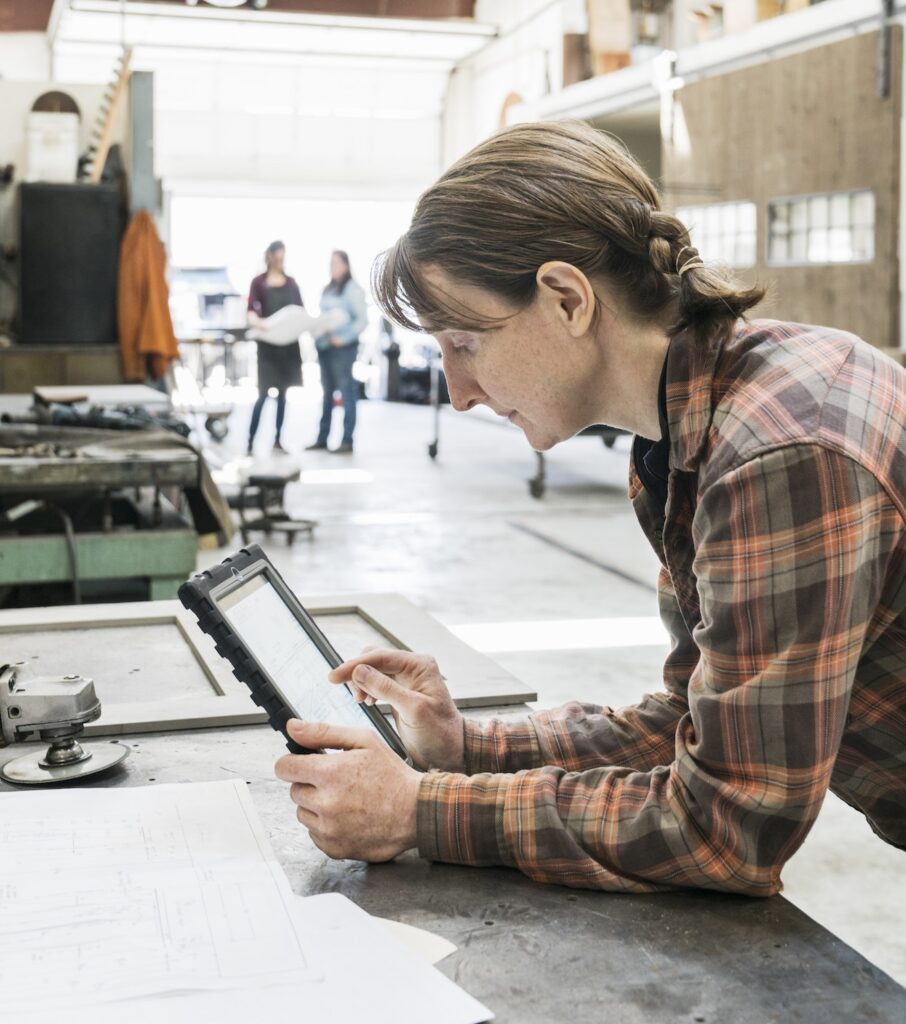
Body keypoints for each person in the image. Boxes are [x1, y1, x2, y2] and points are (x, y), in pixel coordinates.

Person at [274, 121, 905, 895]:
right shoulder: (691, 434)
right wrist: (465, 748)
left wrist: (423, 810)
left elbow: (726, 826)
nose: (456, 393)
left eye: (465, 343)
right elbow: (688, 722)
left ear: (568, 299)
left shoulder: (778, 453)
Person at [306, 250, 367, 454]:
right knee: (327, 394)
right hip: (325, 347)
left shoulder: (353, 290)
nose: (332, 267)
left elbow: (361, 321)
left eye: (336, 263)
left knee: (346, 392)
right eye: (330, 263)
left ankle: (347, 440)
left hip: (343, 349)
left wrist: (345, 338)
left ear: (346, 266)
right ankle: (322, 438)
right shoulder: (328, 290)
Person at [246, 241, 304, 455]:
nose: (280, 262)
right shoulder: (258, 283)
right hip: (267, 347)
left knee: (282, 396)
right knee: (262, 395)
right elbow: (251, 309)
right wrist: (258, 322)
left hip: (288, 348)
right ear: (269, 256)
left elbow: (300, 312)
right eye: (277, 257)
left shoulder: (291, 284)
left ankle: (278, 440)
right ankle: (250, 440)